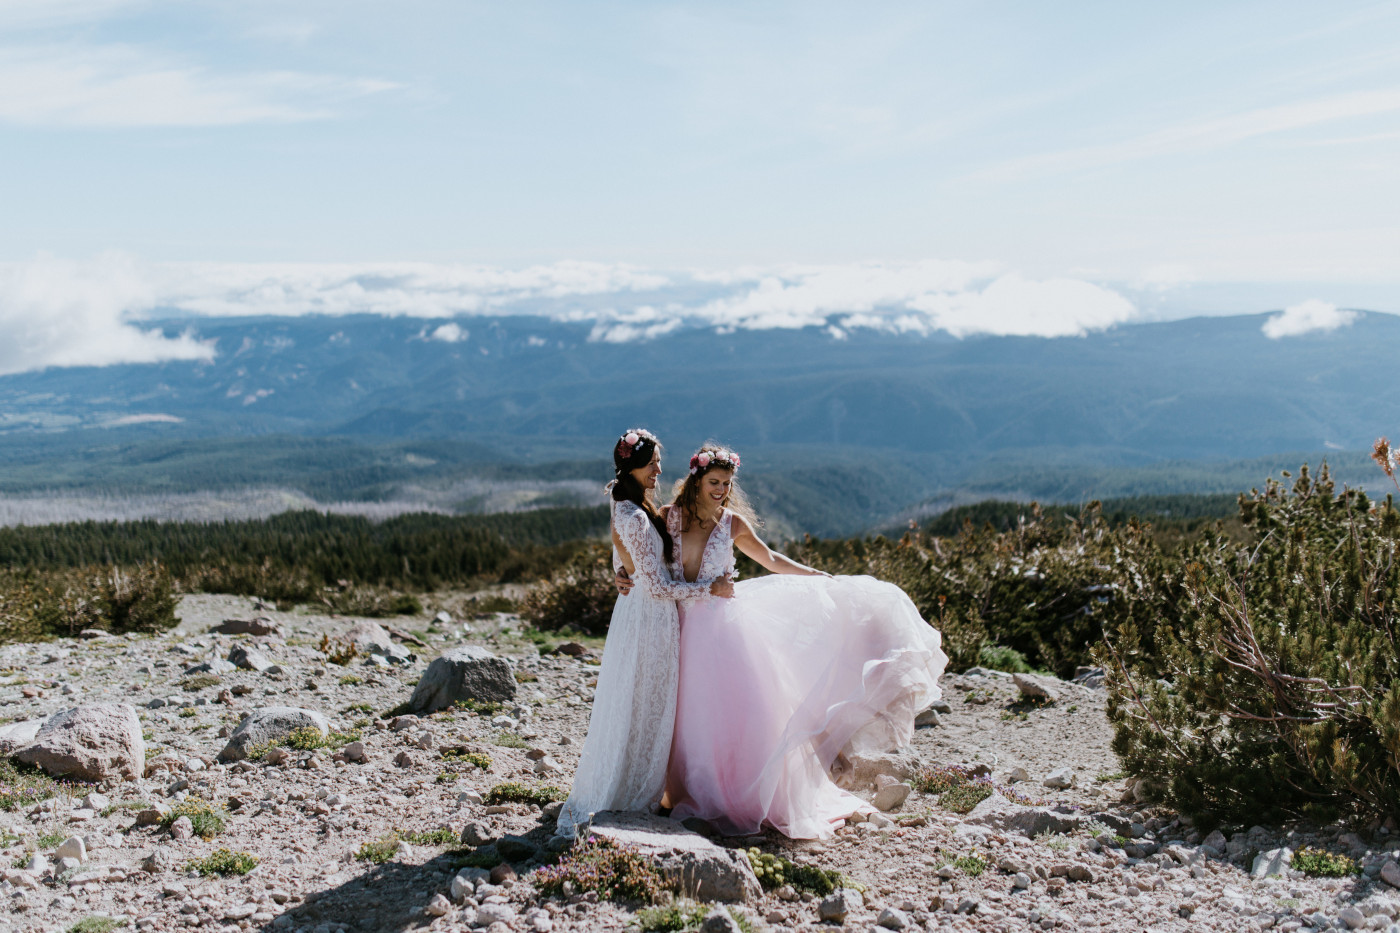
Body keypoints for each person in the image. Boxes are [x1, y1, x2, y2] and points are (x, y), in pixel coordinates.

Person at [660, 444, 947, 838]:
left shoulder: (733, 524)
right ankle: (687, 790)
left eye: (727, 483)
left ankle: (738, 798)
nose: (721, 490)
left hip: (724, 632)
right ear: (696, 479)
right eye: (713, 482)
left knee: (735, 712)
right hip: (680, 630)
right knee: (689, 714)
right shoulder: (668, 519)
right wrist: (622, 574)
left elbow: (772, 560)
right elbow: (644, 560)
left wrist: (814, 574)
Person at [555, 429, 735, 839]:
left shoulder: (630, 505)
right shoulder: (634, 513)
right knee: (645, 706)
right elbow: (656, 586)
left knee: (644, 705)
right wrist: (713, 589)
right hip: (649, 620)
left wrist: (620, 571)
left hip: (645, 615)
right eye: (651, 462)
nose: (658, 468)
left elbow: (626, 554)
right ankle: (633, 796)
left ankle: (647, 789)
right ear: (631, 466)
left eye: (658, 461)